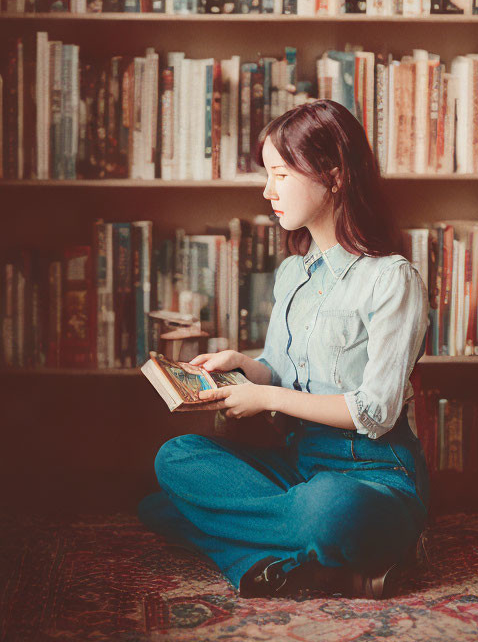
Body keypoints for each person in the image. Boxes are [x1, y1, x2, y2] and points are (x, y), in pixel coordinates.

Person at [138, 99, 430, 600]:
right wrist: (246, 366)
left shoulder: (391, 279)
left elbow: (376, 411)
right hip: (299, 463)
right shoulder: (293, 273)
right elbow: (280, 370)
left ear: (335, 177)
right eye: (266, 175)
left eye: (280, 174)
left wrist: (266, 399)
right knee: (174, 463)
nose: (267, 190)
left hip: (373, 474)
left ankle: (288, 545)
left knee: (328, 508)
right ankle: (295, 560)